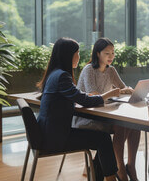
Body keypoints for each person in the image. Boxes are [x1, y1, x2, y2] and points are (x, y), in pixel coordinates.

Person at [36, 37, 120, 181]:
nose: (79, 57)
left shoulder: (54, 74)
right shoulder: (62, 76)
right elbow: (85, 100)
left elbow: (74, 98)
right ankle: (110, 178)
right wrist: (109, 94)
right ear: (68, 55)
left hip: (47, 133)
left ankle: (100, 177)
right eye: (77, 53)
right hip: (55, 138)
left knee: (103, 138)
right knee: (104, 139)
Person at [72, 38, 140, 181]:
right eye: (107, 53)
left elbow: (122, 87)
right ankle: (120, 170)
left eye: (113, 53)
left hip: (104, 113)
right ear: (98, 54)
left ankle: (131, 166)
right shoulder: (89, 69)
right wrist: (118, 92)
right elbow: (93, 95)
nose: (111, 56)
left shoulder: (111, 70)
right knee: (121, 126)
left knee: (135, 125)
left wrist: (130, 90)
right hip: (88, 117)